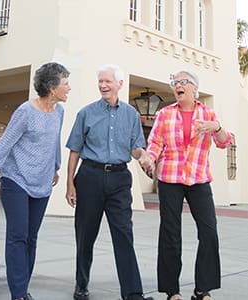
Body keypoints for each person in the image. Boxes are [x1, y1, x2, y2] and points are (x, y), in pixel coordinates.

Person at [0, 62, 71, 300]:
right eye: (66, 83)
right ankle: (18, 294)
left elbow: (54, 141)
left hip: (42, 182)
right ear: (52, 87)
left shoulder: (59, 111)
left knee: (31, 238)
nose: (69, 88)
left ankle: (23, 288)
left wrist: (55, 167)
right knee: (17, 237)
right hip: (16, 180)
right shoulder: (26, 112)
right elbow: (5, 142)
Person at [65, 64, 155, 300]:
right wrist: (70, 184)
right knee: (85, 235)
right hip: (90, 177)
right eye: (100, 82)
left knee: (124, 234)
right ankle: (81, 284)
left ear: (120, 84)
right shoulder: (86, 113)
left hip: (119, 178)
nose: (103, 85)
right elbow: (74, 150)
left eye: (107, 81)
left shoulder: (131, 115)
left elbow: (135, 147)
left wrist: (143, 156)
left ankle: (133, 293)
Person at [146, 70, 232, 300]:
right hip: (170, 178)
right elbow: (155, 142)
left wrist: (217, 127)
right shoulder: (165, 114)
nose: (177, 85)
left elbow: (225, 142)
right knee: (170, 234)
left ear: (195, 88)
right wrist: (149, 157)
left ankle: (203, 289)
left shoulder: (208, 113)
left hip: (199, 178)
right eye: (175, 83)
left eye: (183, 82)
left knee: (208, 231)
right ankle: (172, 290)